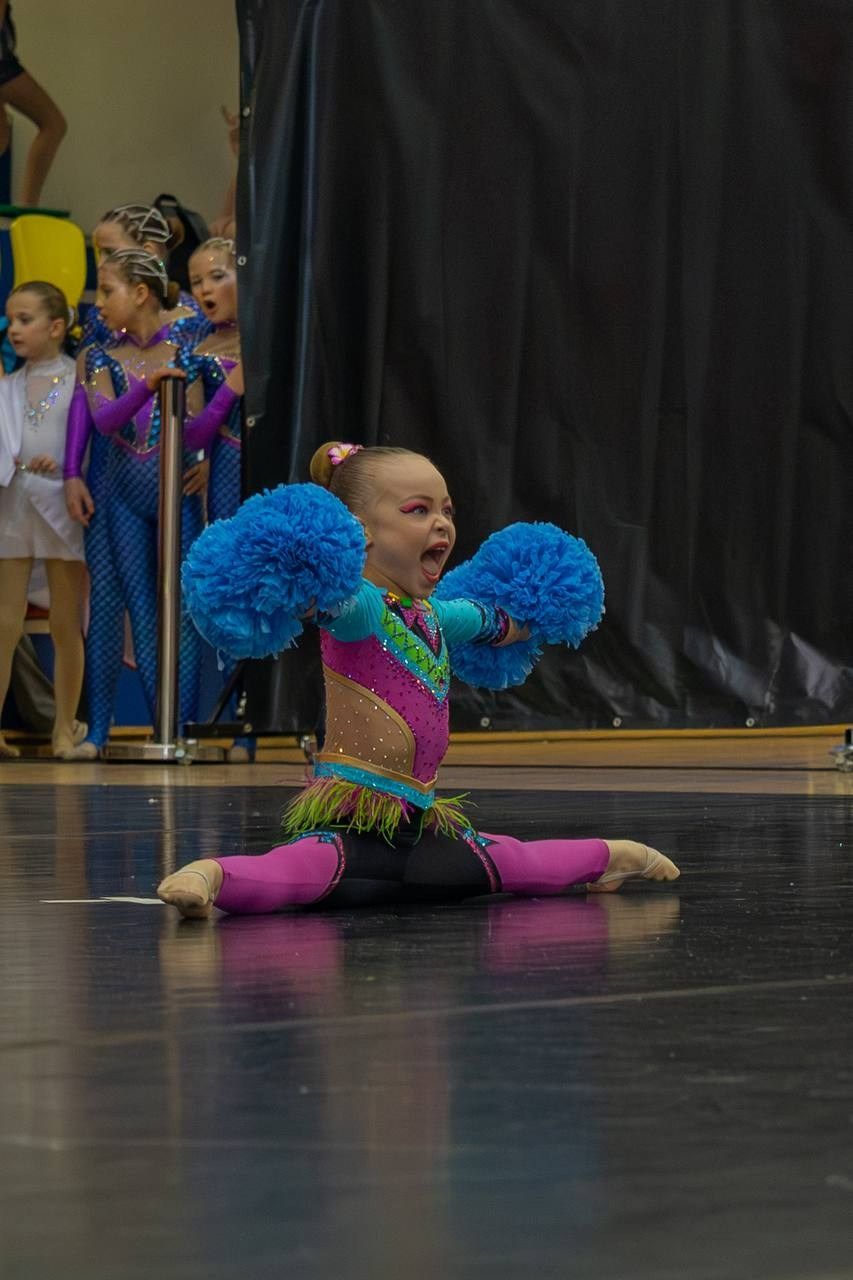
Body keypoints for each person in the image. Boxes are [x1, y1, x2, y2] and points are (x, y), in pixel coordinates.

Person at [158, 441, 680, 916]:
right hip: (351, 830)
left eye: (447, 511)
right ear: (359, 532)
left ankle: (610, 856)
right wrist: (299, 581)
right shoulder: (360, 608)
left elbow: (492, 621)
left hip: (422, 828)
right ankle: (210, 875)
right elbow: (330, 605)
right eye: (418, 510)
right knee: (298, 872)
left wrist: (534, 613)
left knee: (515, 865)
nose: (442, 524)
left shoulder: (433, 616)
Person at [61, 248, 203, 760]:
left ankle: (177, 729)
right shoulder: (102, 356)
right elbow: (102, 421)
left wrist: (205, 458)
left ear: (141, 293)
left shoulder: (186, 348)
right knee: (140, 610)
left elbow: (202, 422)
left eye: (107, 291)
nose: (97, 304)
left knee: (182, 611)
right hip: (121, 497)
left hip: (174, 495)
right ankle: (149, 729)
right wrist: (146, 384)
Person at [0, 281, 85, 758]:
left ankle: (63, 727)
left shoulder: (77, 379)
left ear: (56, 327)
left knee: (64, 622)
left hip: (59, 508)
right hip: (13, 505)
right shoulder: (7, 386)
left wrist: (66, 466)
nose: (13, 328)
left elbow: (84, 443)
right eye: (10, 319)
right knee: (4, 623)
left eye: (24, 319)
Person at [0, 2, 66, 207]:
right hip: (3, 67)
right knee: (53, 124)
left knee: (2, 136)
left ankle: (27, 208)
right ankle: (28, 207)